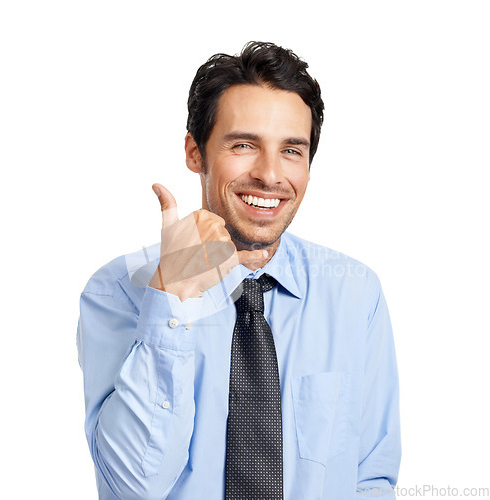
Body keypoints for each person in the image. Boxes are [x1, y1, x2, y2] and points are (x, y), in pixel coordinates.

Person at [77, 41, 401, 500]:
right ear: (195, 153)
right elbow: (132, 485)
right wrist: (175, 294)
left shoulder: (354, 293)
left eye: (292, 150)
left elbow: (370, 480)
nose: (270, 175)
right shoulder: (118, 290)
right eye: (244, 145)